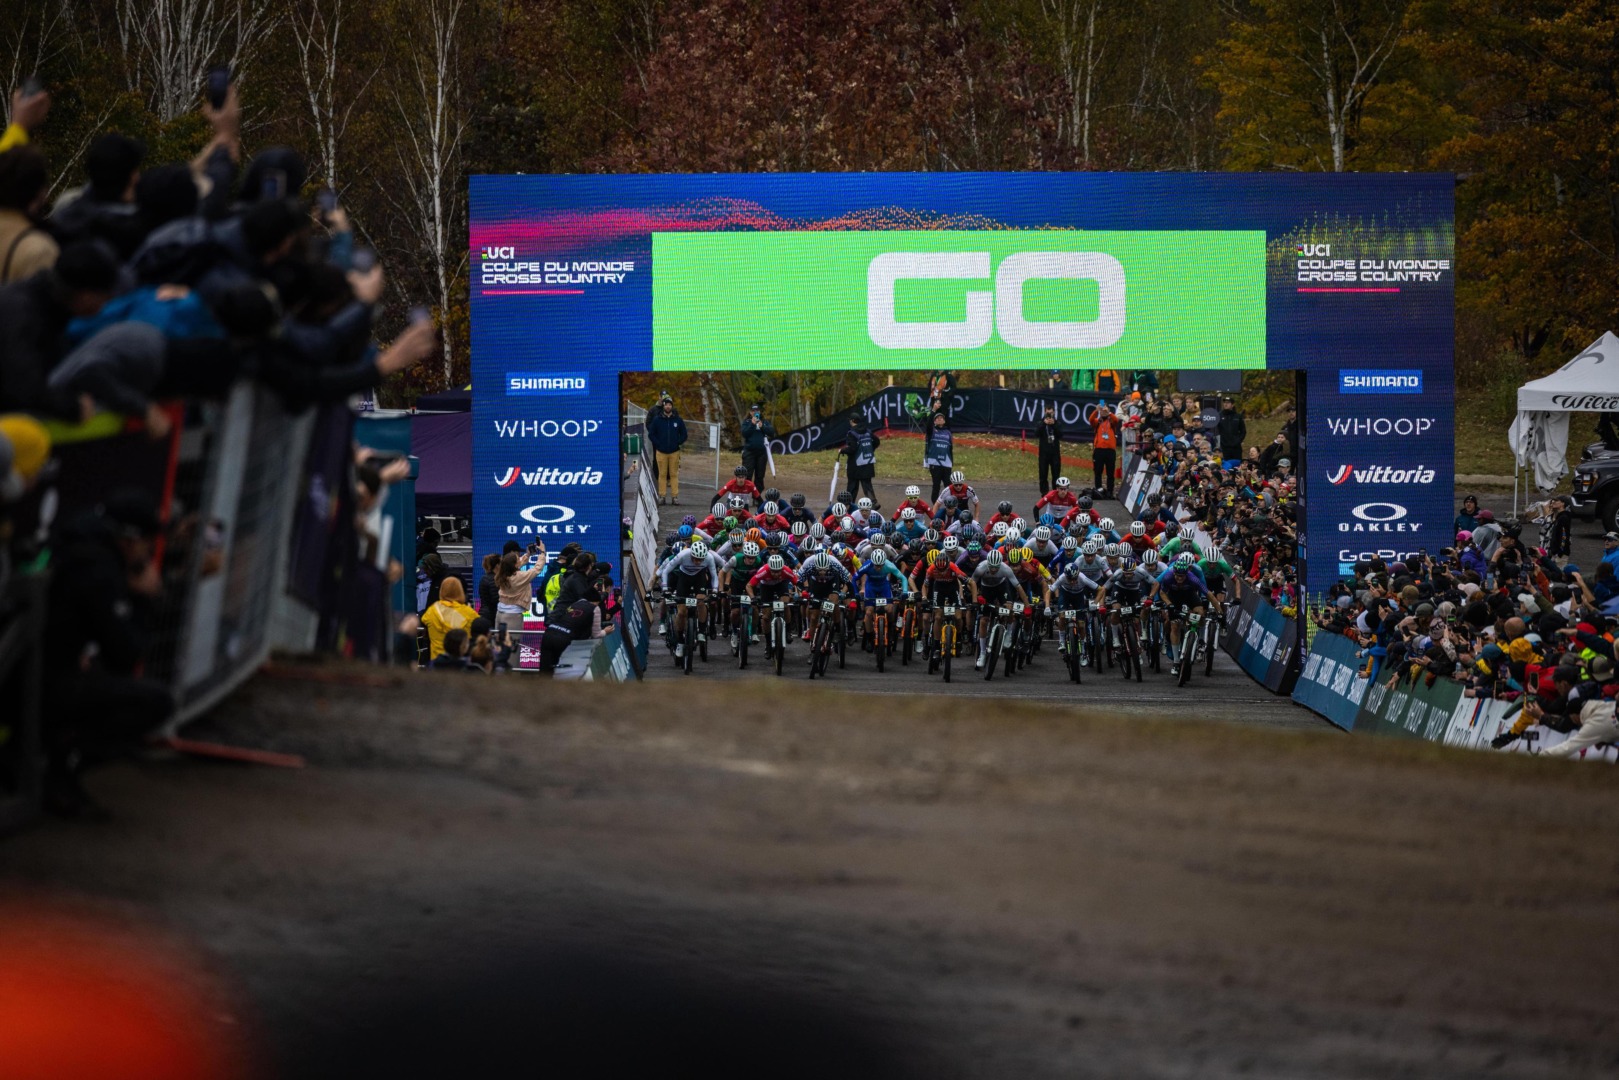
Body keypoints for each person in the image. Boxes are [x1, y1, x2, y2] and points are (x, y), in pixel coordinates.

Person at [40, 488, 175, 817]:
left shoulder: (77, 540)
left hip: (35, 667)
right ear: (129, 540)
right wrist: (144, 598)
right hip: (36, 683)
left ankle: (48, 759)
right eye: (146, 544)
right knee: (155, 701)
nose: (147, 555)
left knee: (97, 675)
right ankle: (59, 768)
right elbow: (126, 654)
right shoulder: (98, 568)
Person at [422, 576, 479, 661]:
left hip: (437, 662)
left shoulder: (432, 610)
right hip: (461, 663)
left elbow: (424, 620)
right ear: (460, 591)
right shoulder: (469, 613)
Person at [646, 393, 688, 505]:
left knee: (674, 474)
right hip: (661, 452)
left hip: (674, 452)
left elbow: (684, 434)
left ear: (672, 406)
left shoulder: (678, 420)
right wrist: (658, 444)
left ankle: (675, 497)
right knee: (662, 474)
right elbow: (651, 434)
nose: (668, 407)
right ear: (663, 406)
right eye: (666, 405)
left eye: (670, 405)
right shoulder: (657, 420)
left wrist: (678, 442)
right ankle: (662, 496)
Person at [495, 546, 544, 640]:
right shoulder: (519, 576)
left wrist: (528, 555)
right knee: (513, 647)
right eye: (518, 559)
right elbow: (537, 569)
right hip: (513, 616)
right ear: (515, 564)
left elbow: (517, 563)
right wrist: (542, 553)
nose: (520, 558)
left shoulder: (502, 573)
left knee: (499, 645)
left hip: (500, 613)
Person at [842, 414, 880, 507]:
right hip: (867, 462)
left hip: (855, 465)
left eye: (850, 420)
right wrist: (870, 449)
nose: (849, 422)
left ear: (853, 421)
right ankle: (873, 502)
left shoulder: (851, 433)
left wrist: (843, 450)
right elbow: (877, 441)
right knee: (867, 484)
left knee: (852, 486)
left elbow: (852, 449)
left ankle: (849, 505)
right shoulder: (867, 431)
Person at [740, 403, 774, 487]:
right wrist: (752, 424)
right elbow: (744, 433)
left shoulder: (764, 422)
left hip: (761, 453)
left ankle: (757, 497)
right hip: (749, 452)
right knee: (747, 475)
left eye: (757, 410)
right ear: (750, 412)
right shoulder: (747, 422)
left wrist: (762, 426)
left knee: (760, 476)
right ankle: (745, 494)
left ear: (760, 411)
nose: (755, 412)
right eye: (753, 411)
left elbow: (772, 432)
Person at [923, 411, 953, 501]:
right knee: (936, 486)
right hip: (935, 463)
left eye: (941, 418)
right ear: (934, 422)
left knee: (948, 486)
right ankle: (935, 509)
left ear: (944, 421)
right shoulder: (931, 431)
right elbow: (928, 425)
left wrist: (951, 462)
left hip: (947, 463)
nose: (939, 419)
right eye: (937, 418)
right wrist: (933, 411)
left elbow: (950, 449)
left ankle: (951, 505)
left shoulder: (948, 433)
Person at [1091, 404, 1120, 500]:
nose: (1103, 412)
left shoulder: (1112, 421)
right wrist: (1096, 411)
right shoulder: (1097, 421)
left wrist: (1109, 412)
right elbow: (1091, 420)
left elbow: (1116, 420)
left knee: (1110, 473)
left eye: (1105, 411)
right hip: (1099, 450)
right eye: (1102, 411)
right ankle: (1098, 490)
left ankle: (1110, 491)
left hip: (1110, 451)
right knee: (1098, 471)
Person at [1036, 404, 1063, 493]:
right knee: (1043, 474)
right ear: (1044, 412)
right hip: (1044, 453)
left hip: (1054, 453)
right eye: (1047, 414)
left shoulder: (1057, 423)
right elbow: (1036, 434)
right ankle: (1044, 493)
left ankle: (1055, 492)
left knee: (1056, 474)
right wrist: (1044, 423)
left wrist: (1054, 425)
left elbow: (1061, 435)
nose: (1049, 416)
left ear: (1054, 413)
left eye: (1051, 413)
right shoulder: (1040, 422)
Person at [1216, 398, 1246, 469]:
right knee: (1226, 466)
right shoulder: (1219, 416)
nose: (1225, 404)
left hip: (1236, 447)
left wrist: (1238, 441)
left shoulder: (1238, 416)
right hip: (1224, 447)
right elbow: (1215, 430)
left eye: (1228, 402)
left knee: (1237, 466)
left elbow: (1243, 431)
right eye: (1224, 402)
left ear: (1232, 405)